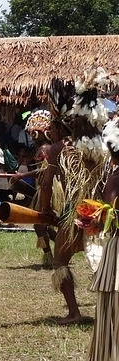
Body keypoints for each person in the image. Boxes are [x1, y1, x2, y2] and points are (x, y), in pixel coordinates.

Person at [39, 72, 112, 324]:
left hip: (77, 211)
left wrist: (45, 211)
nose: (49, 130)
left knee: (60, 261)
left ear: (60, 125)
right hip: (101, 209)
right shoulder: (98, 146)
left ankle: (74, 312)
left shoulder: (58, 149)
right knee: (105, 261)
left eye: (51, 125)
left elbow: (47, 185)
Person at [87, 117, 119, 361]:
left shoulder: (116, 178)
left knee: (114, 307)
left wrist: (90, 220)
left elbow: (107, 216)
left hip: (117, 250)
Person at [10, 110, 55, 266]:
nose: (31, 136)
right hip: (43, 188)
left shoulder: (45, 149)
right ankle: (63, 245)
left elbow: (44, 172)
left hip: (48, 189)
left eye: (34, 133)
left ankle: (50, 256)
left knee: (39, 223)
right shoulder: (43, 148)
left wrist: (22, 176)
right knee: (45, 223)